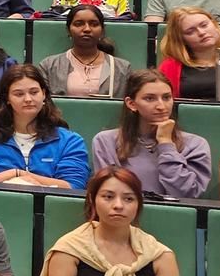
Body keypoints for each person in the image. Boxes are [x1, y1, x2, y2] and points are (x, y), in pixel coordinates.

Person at [40, 168, 179, 276]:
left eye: (128, 199)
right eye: (108, 197)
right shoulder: (69, 249)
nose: (118, 205)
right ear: (92, 200)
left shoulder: (161, 256)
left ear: (138, 204)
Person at [0, 63, 90, 189]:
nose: (28, 99)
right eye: (19, 94)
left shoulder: (70, 141)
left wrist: (20, 174)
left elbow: (74, 187)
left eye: (34, 92)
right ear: (7, 98)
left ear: (44, 94)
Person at [90, 70, 210, 198]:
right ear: (131, 104)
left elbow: (188, 194)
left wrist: (166, 144)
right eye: (150, 98)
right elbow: (111, 193)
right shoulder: (106, 141)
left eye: (166, 97)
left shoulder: (195, 144)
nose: (161, 106)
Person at [159, 7, 220, 104]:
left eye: (204, 25)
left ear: (215, 25)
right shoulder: (170, 67)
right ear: (181, 39)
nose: (201, 33)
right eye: (190, 31)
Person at [39, 4, 132, 99]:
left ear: (102, 30)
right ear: (68, 30)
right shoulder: (49, 66)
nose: (87, 29)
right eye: (79, 24)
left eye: (94, 24)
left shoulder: (123, 68)